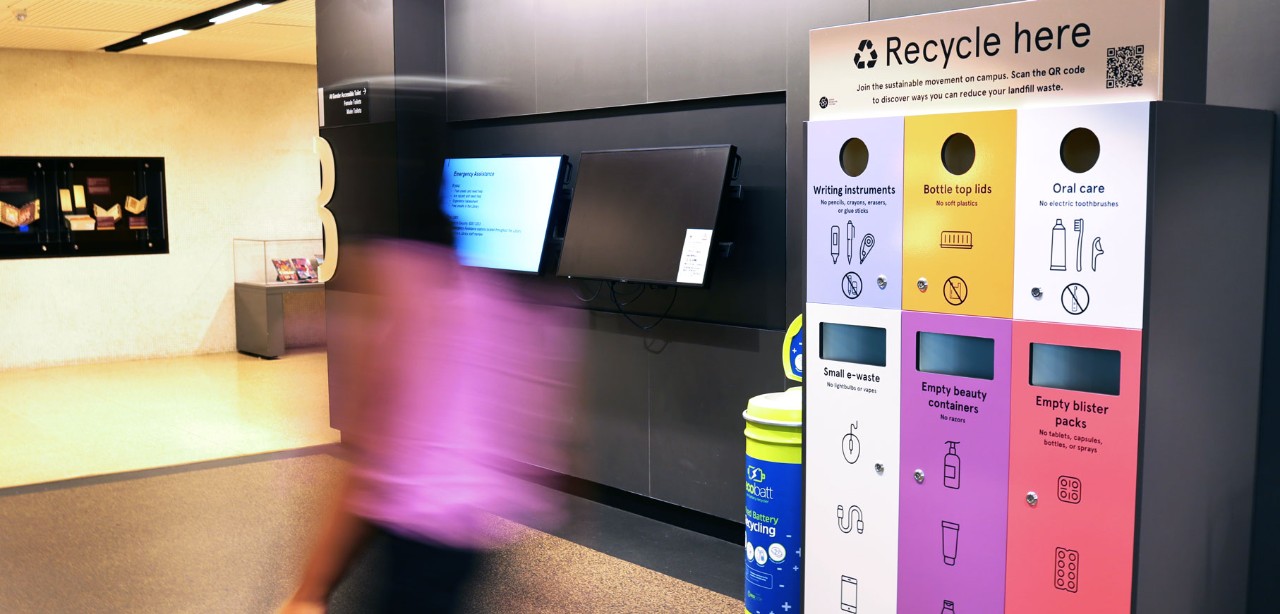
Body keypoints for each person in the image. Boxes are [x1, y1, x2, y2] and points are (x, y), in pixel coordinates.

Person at [279, 239, 578, 613]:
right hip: (467, 534)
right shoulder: (519, 298)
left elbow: (373, 457)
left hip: (421, 530)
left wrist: (311, 590)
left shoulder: (413, 289)